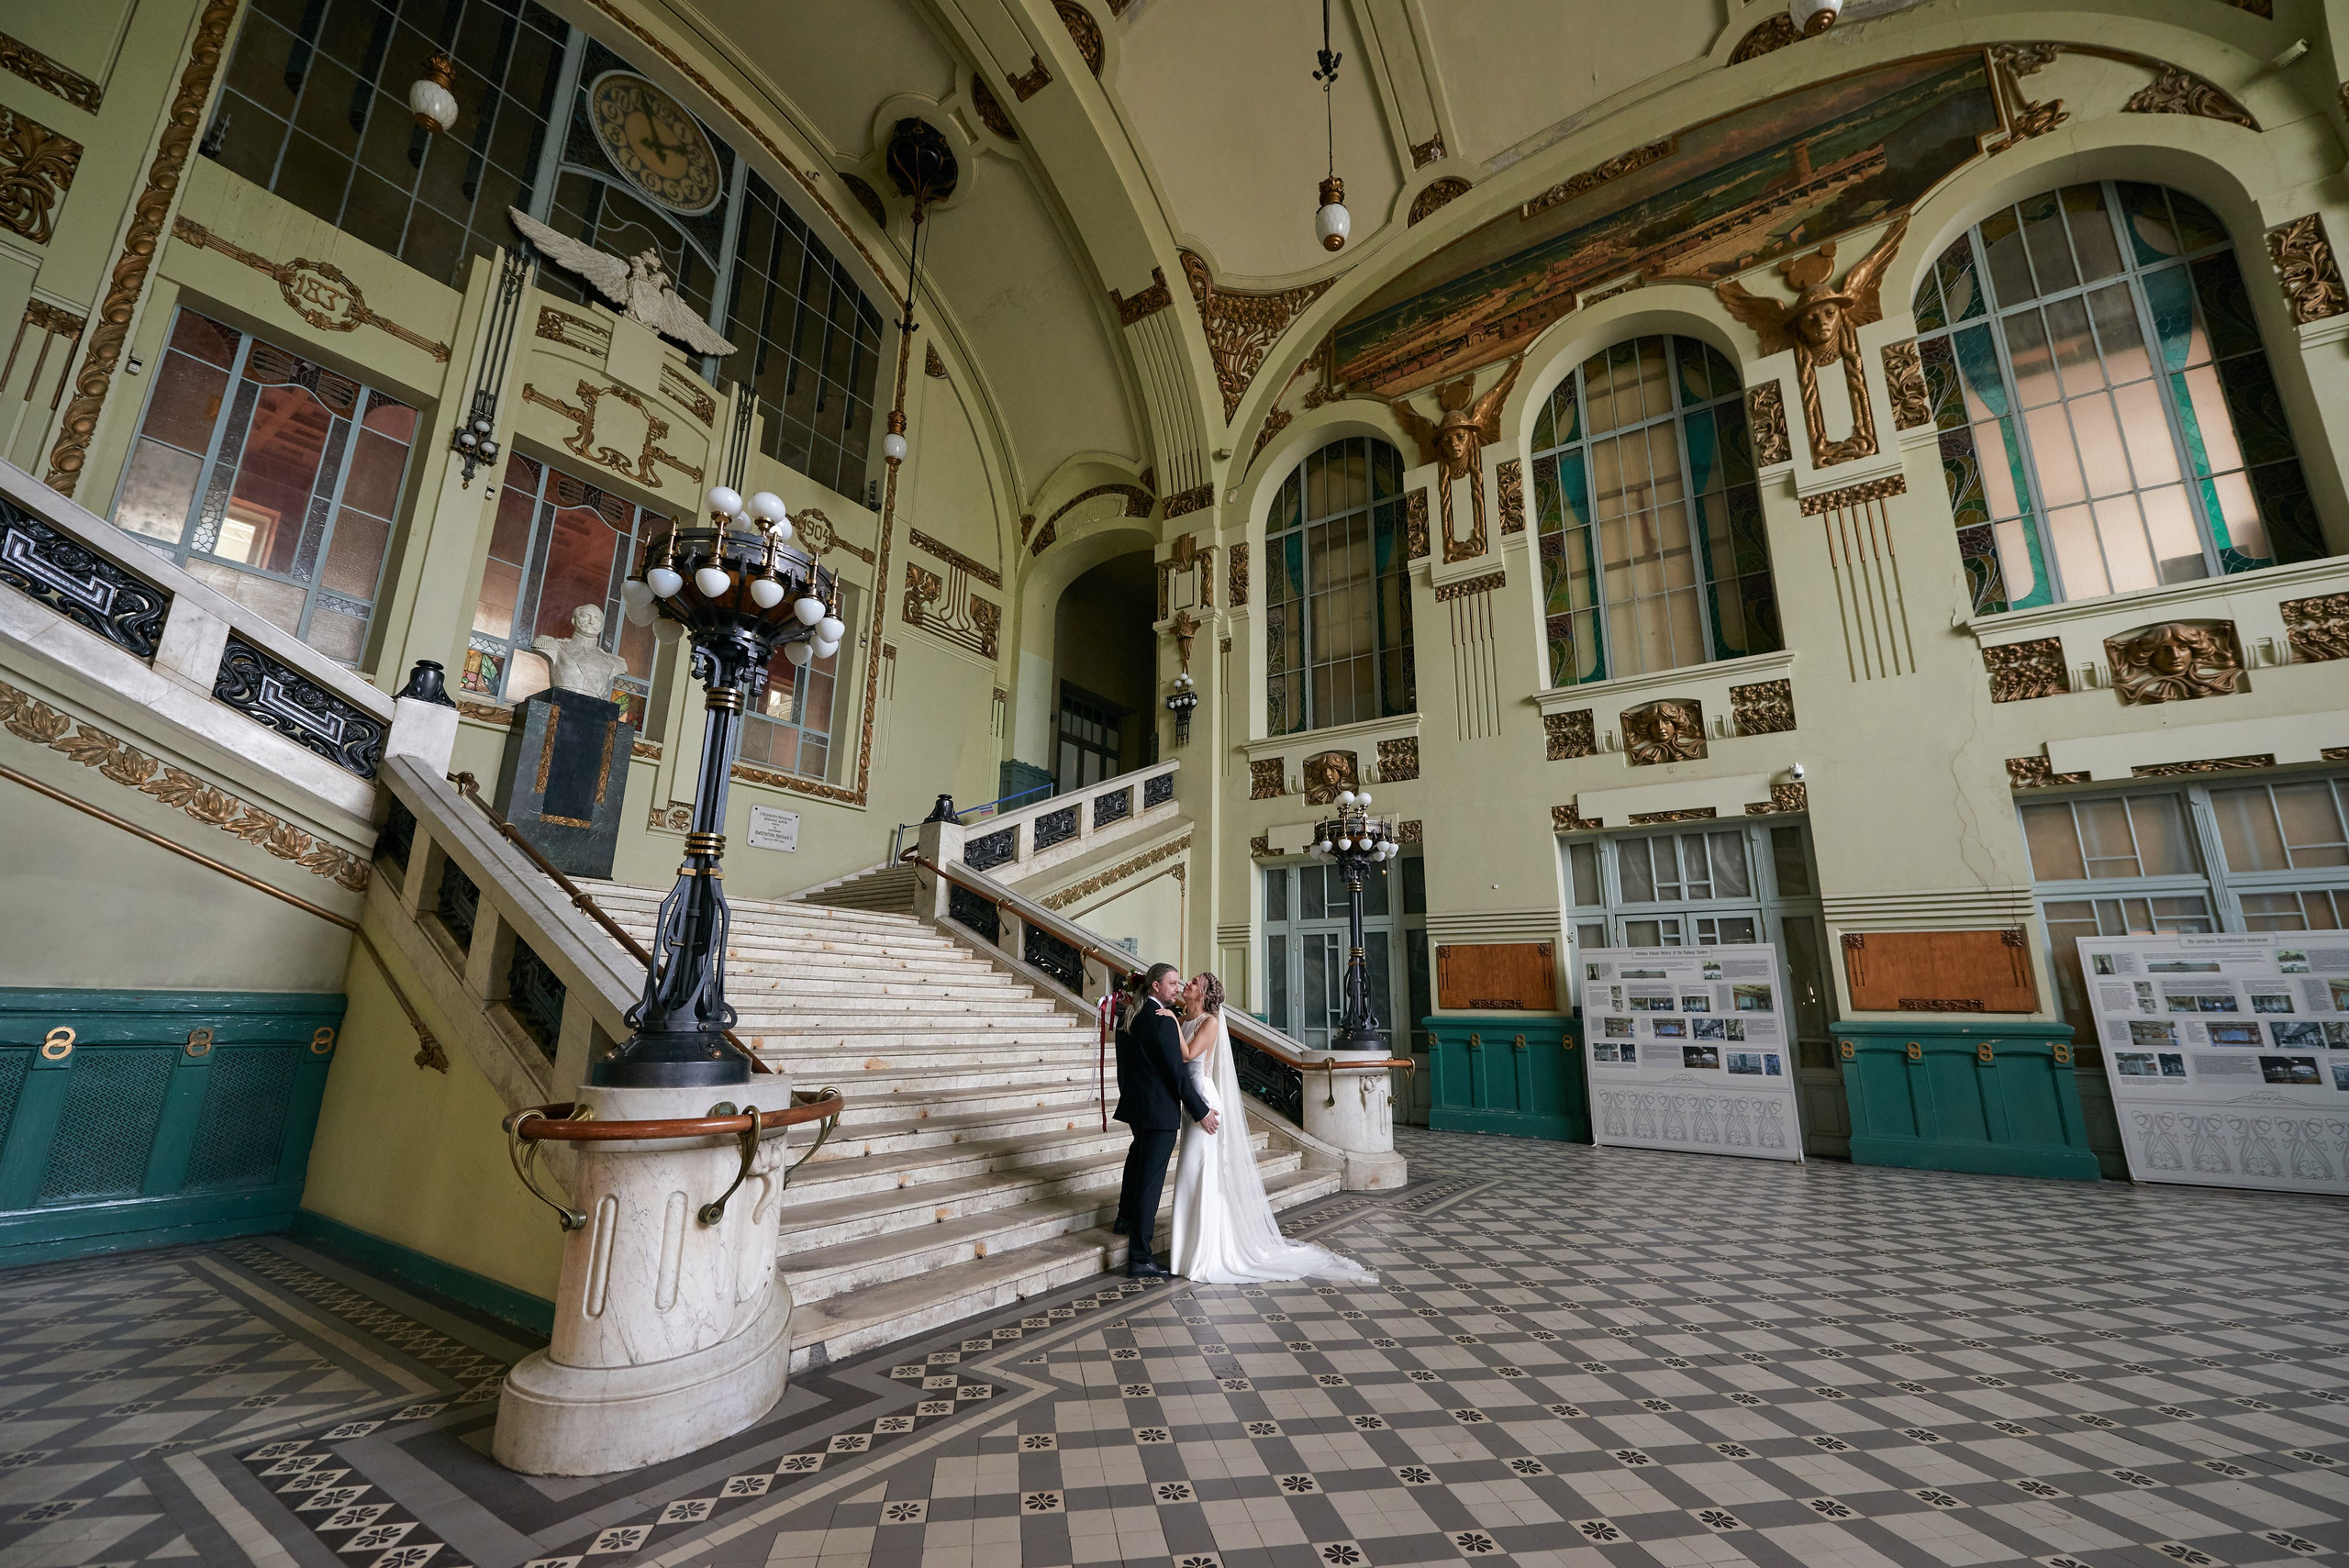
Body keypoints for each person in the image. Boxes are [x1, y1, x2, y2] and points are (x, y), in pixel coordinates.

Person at [1168, 972, 1378, 1285]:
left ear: (1205, 994)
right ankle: (1185, 1251)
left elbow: (1186, 1054)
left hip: (1204, 1102)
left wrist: (1169, 1020)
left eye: (1195, 982)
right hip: (1190, 1104)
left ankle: (1207, 1252)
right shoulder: (1184, 1018)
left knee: (1198, 1173)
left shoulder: (1208, 1023)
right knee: (1191, 1176)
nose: (1187, 983)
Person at [1112, 963, 1218, 1281]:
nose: (1178, 987)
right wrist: (1201, 1112)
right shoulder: (1162, 1023)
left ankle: (1124, 1219)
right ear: (1155, 987)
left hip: (1138, 1107)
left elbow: (1124, 1067)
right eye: (1172, 983)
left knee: (1137, 1159)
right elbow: (1177, 1076)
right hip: (1159, 1112)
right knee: (1150, 1182)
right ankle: (1139, 1256)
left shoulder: (1130, 1015)